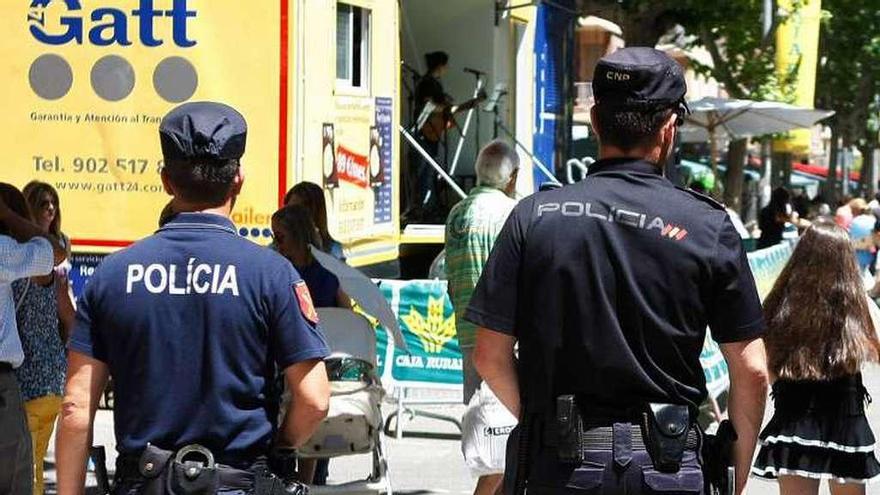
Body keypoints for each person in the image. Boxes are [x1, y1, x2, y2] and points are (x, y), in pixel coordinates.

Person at [466, 47, 769, 495]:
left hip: (562, 467)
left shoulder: (535, 217)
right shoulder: (708, 227)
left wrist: (543, 422)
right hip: (670, 469)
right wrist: (734, 476)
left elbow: (488, 353)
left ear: (595, 121)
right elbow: (752, 369)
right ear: (669, 129)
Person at [55, 102, 332, 494]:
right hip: (240, 482)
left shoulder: (113, 276)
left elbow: (75, 408)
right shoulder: (271, 275)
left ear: (166, 181)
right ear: (238, 178)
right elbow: (315, 399)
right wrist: (281, 446)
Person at [752, 220, 880, 493]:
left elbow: (765, 360)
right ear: (846, 260)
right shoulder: (858, 305)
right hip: (845, 417)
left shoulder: (780, 303)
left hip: (794, 415)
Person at [445, 140, 518, 495]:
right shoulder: (509, 213)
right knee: (504, 447)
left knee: (490, 437)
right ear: (512, 176)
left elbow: (449, 281)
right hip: (503, 342)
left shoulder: (457, 213)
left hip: (468, 336)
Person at [0, 183, 66, 495]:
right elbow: (54, 251)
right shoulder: (7, 252)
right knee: (20, 474)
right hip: (24, 382)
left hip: (31, 382)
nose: (50, 210)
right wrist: (12, 217)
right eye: (42, 205)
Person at [284, 182, 345, 262]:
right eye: (288, 210)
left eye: (296, 211)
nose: (289, 216)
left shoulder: (333, 251)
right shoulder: (277, 247)